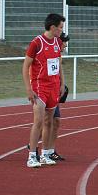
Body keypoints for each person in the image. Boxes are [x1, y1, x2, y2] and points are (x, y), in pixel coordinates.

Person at [22, 13, 66, 168]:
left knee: (49, 122)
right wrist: (28, 88)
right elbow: (25, 66)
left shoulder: (58, 42)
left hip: (54, 86)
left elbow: (58, 63)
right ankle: (32, 155)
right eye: (60, 27)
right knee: (39, 121)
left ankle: (46, 153)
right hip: (40, 86)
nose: (62, 30)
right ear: (53, 27)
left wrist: (62, 83)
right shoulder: (36, 43)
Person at [42, 32, 70, 161]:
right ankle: (34, 147)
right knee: (46, 121)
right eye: (64, 42)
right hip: (44, 90)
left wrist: (62, 84)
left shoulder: (58, 54)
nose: (65, 45)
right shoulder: (45, 50)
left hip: (54, 90)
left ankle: (51, 150)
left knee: (56, 121)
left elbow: (59, 69)